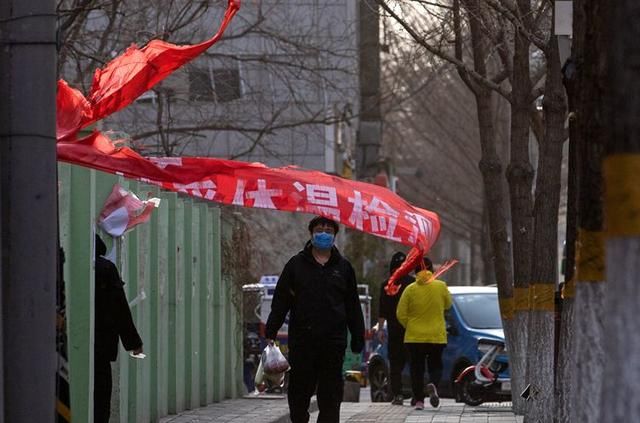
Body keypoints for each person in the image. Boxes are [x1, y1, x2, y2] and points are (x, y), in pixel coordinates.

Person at [265, 216, 365, 423]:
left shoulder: (344, 268)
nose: (324, 234)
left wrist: (357, 336)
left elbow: (352, 305)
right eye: (320, 230)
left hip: (333, 342)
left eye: (329, 231)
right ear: (311, 234)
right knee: (299, 394)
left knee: (331, 395)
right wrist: (271, 331)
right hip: (303, 341)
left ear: (334, 236)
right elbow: (281, 300)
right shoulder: (295, 265)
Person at [94, 234, 143, 423]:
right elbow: (120, 308)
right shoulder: (106, 269)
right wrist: (134, 343)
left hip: (74, 343)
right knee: (101, 395)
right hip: (102, 345)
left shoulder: (74, 266)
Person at [396, 257, 452, 410]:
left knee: (417, 368)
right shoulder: (441, 286)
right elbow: (448, 304)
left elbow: (400, 313)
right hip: (436, 336)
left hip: (414, 337)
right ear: (431, 270)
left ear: (415, 271)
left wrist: (411, 325)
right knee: (436, 364)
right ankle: (433, 383)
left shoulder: (410, 289)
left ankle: (419, 401)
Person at [377, 251, 414, 405]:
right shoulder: (412, 283)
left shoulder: (386, 284)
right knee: (413, 361)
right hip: (411, 329)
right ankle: (417, 395)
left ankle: (398, 394)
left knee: (395, 364)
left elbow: (382, 310)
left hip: (393, 330)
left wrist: (380, 329)